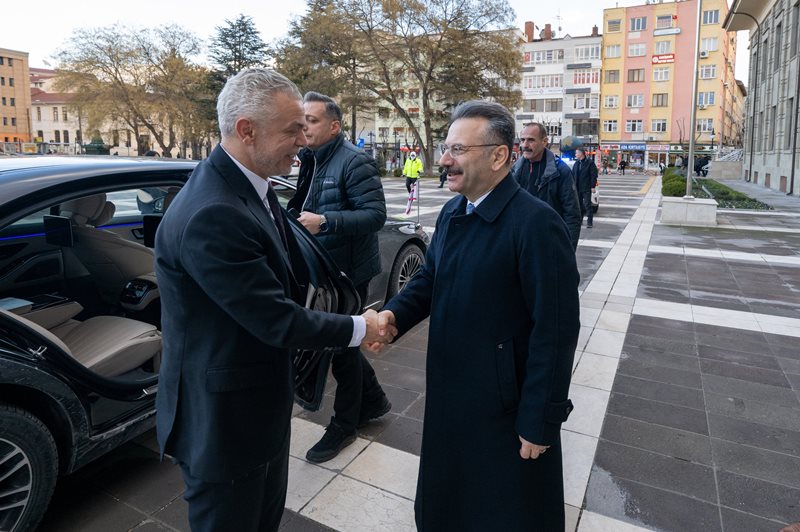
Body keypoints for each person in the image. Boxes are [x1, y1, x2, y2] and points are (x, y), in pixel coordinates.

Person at [154, 69, 394, 532]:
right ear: (247, 130)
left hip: (256, 410)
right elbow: (275, 319)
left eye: (305, 128)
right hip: (224, 426)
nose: (303, 140)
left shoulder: (252, 186)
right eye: (292, 130)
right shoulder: (213, 212)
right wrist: (361, 327)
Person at [370, 100, 580, 531]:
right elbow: (429, 279)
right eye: (446, 148)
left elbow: (556, 330)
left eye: (458, 150)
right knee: (448, 504)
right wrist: (393, 316)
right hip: (452, 395)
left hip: (504, 407)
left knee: (502, 511)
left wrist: (540, 419)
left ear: (499, 156)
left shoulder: (536, 224)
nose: (444, 160)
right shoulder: (453, 212)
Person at [287, 91, 392, 464]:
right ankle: (375, 399)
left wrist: (326, 221)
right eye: (302, 120)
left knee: (342, 351)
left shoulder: (354, 161)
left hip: (348, 275)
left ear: (334, 126)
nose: (304, 127)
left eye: (311, 120)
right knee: (343, 346)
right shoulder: (310, 159)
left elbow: (375, 216)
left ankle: (345, 425)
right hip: (324, 269)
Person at [511, 122, 581, 250]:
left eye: (531, 140)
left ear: (544, 142)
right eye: (522, 140)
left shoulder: (560, 171)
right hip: (519, 245)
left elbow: (572, 215)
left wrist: (568, 252)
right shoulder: (515, 169)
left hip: (548, 245)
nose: (525, 145)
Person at [573, 147, 598, 229]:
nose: (575, 154)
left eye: (576, 153)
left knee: (588, 205)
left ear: (581, 153)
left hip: (586, 187)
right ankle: (580, 221)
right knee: (579, 206)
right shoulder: (576, 163)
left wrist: (592, 186)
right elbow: (573, 175)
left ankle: (589, 222)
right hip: (577, 188)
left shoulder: (589, 163)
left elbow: (593, 175)